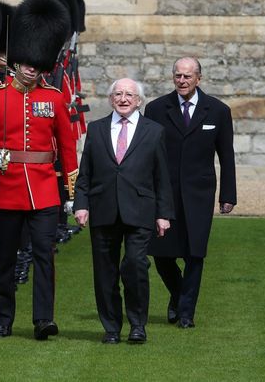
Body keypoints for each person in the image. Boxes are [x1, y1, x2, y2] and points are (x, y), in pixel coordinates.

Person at [0, 0, 78, 340]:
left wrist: (72, 192)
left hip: (45, 189)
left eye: (37, 63)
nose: (31, 68)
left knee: (45, 259)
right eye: (27, 62)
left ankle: (43, 319)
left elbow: (66, 146)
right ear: (17, 60)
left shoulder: (54, 98)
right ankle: (2, 319)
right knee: (4, 260)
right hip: (7, 190)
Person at [73, 78, 174, 344]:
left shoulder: (154, 131)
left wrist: (163, 214)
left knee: (135, 264)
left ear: (139, 101)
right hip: (103, 208)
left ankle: (137, 324)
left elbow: (162, 177)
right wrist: (81, 204)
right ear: (110, 99)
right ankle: (111, 328)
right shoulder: (96, 129)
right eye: (118, 94)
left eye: (129, 94)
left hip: (140, 210)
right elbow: (86, 173)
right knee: (105, 272)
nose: (123, 99)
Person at [144, 57, 236, 329]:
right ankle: (179, 294)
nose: (182, 81)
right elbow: (147, 154)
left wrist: (228, 195)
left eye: (187, 76)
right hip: (165, 193)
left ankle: (186, 313)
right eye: (177, 76)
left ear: (199, 78)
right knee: (161, 253)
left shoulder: (218, 111)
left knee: (195, 254)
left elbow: (226, 156)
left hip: (199, 193)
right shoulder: (156, 109)